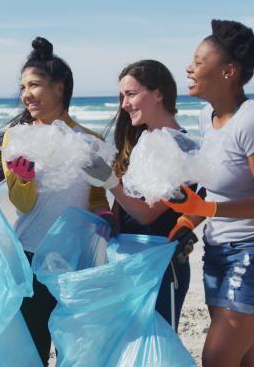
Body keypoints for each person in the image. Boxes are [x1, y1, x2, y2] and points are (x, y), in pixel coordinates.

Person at [0, 36, 112, 366]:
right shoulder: (15, 138)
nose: (26, 95)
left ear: (60, 88)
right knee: (33, 350)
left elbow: (97, 196)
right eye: (23, 87)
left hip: (76, 258)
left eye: (34, 85)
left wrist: (108, 216)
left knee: (73, 349)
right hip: (30, 254)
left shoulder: (89, 140)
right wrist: (24, 179)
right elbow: (22, 204)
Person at [164, 19, 254, 367]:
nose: (189, 68)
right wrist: (191, 218)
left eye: (199, 61)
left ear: (228, 71)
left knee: (217, 359)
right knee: (244, 356)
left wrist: (206, 210)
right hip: (217, 248)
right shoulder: (208, 115)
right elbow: (216, 182)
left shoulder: (253, 120)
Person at [83, 59, 199, 330]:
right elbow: (123, 209)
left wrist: (109, 181)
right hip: (127, 261)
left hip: (160, 267)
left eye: (131, 94)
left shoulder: (181, 147)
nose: (124, 104)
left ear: (158, 93)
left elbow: (146, 214)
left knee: (155, 350)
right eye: (123, 96)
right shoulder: (140, 144)